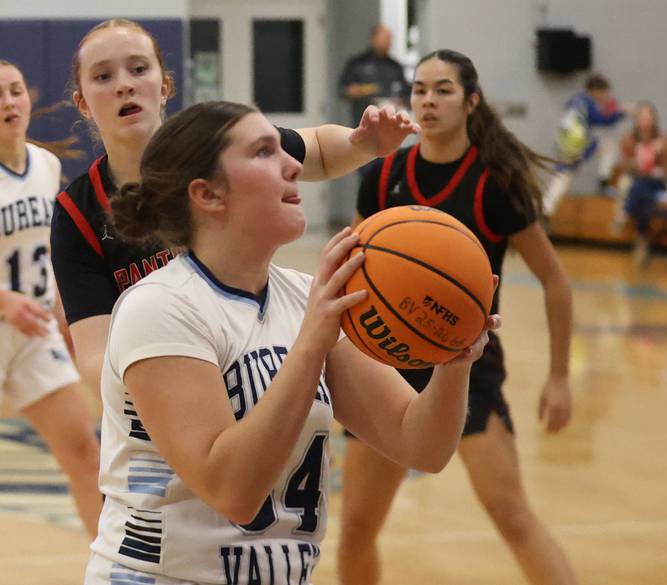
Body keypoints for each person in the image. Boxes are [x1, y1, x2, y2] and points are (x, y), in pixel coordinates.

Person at [83, 99, 498, 585]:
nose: (294, 164)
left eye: (285, 149)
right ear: (209, 194)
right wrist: (311, 344)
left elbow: (421, 444)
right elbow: (233, 490)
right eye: (264, 152)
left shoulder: (305, 297)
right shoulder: (160, 307)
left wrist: (454, 359)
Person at [50, 19, 419, 400]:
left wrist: (363, 144)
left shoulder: (216, 145)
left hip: (255, 359)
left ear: (165, 88)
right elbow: (94, 357)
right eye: (104, 76)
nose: (124, 84)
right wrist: (173, 391)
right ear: (83, 104)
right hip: (162, 396)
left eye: (139, 68)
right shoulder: (77, 212)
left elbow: (319, 152)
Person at [338, 49, 577, 585]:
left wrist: (560, 376)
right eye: (420, 89)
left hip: (464, 369)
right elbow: (347, 271)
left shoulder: (495, 183)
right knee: (355, 527)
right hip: (386, 369)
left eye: (443, 90)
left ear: (471, 101)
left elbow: (556, 281)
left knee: (511, 515)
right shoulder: (383, 178)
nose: (428, 100)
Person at [0, 60, 102, 536]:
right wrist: (5, 302)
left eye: (15, 91)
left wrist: (64, 314)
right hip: (6, 318)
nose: (8, 103)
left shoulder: (46, 164)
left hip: (33, 333)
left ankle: (113, 569)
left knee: (85, 452)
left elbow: (49, 249)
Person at [542, 73, 627, 217]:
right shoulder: (586, 101)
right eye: (604, 93)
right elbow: (602, 120)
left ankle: (545, 210)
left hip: (564, 145)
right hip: (578, 144)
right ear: (595, 90)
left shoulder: (575, 101)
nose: (605, 97)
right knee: (607, 147)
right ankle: (603, 184)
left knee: (563, 175)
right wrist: (621, 112)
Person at [618, 101, 667, 265]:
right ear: (637, 119)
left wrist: (657, 154)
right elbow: (626, 165)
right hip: (639, 181)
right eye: (642, 116)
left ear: (654, 119)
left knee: (641, 187)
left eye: (649, 116)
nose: (646, 120)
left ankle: (625, 213)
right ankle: (642, 239)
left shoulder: (663, 140)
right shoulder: (628, 139)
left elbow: (666, 169)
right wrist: (639, 162)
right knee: (642, 192)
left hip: (657, 182)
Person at [338, 24, 410, 129]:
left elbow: (405, 92)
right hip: (362, 120)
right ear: (374, 38)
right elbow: (343, 90)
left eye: (390, 38)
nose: (389, 42)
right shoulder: (358, 63)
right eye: (385, 38)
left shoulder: (395, 66)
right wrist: (357, 91)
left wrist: (400, 100)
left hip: (389, 122)